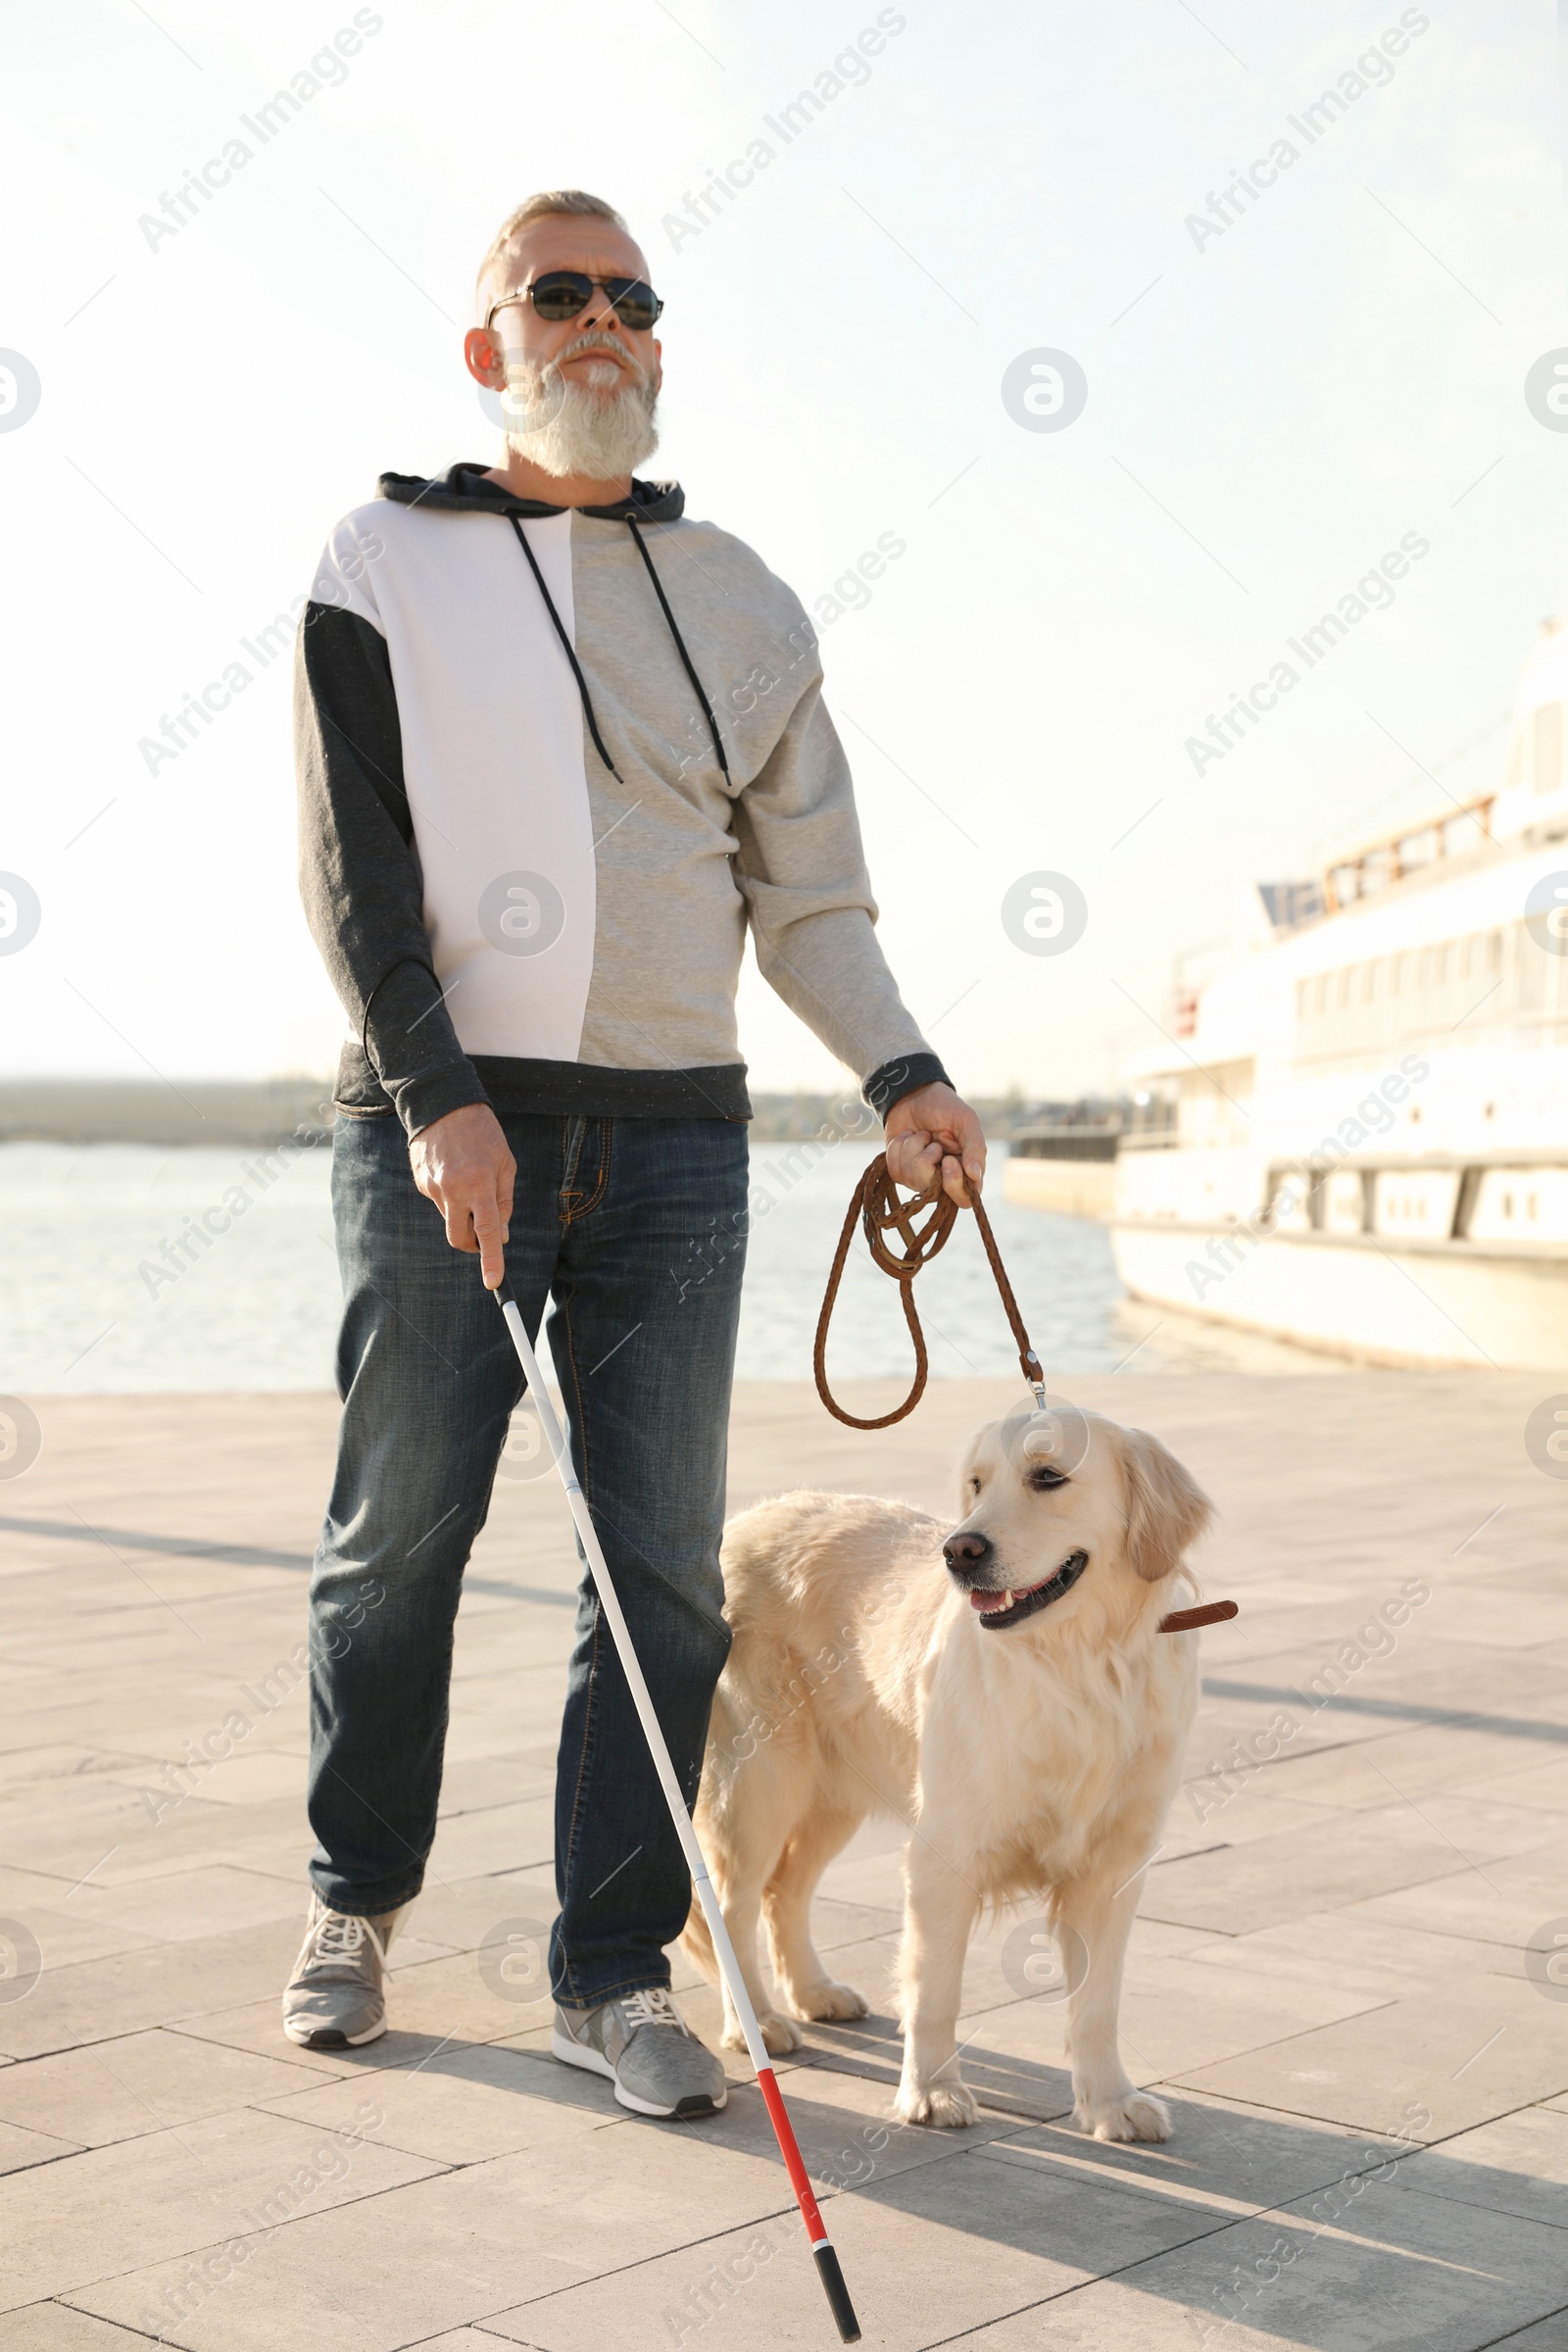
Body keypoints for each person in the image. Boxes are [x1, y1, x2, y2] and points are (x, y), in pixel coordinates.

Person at [284, 187, 986, 2118]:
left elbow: (810, 898)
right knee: (393, 1540)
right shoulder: (383, 555)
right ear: (487, 345)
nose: (602, 320)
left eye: (632, 298)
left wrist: (900, 1073)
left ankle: (612, 1966)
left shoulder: (745, 596)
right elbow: (357, 873)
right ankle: (353, 1899)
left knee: (661, 1576)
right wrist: (439, 1097)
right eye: (558, 293)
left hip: (679, 1144)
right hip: (447, 1128)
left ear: (657, 345)